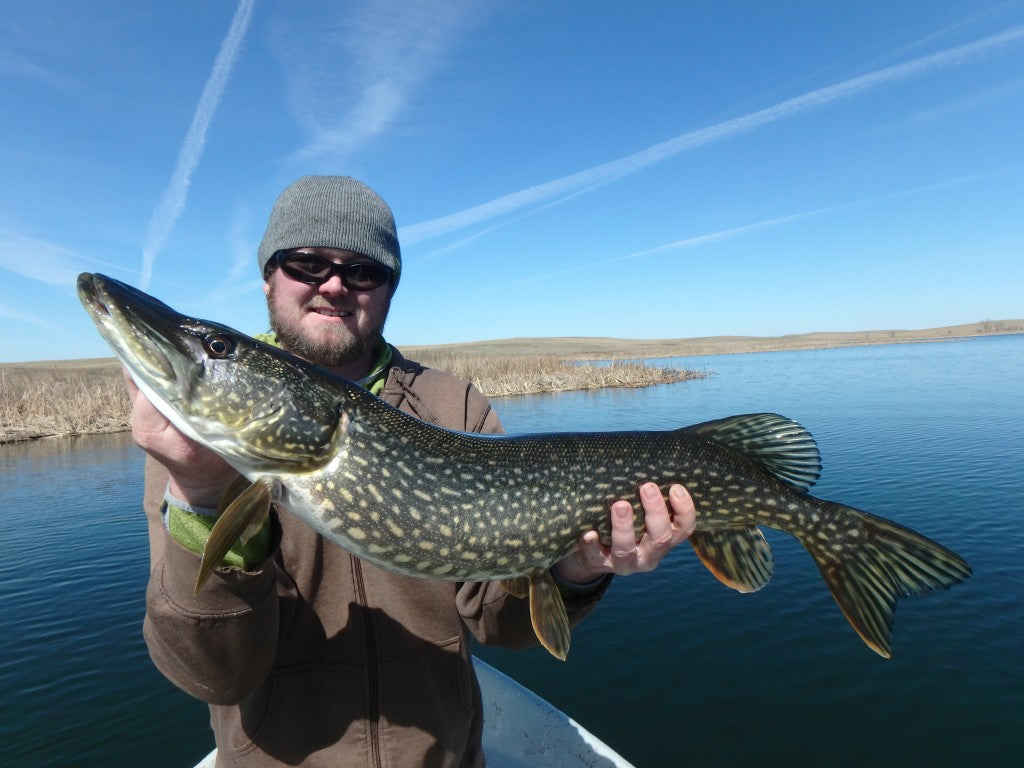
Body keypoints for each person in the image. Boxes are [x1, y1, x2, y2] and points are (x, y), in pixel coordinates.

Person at [130, 175, 696, 768]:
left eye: (362, 271)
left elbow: (499, 622)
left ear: (389, 287)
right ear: (270, 276)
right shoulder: (197, 448)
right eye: (306, 263)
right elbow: (212, 677)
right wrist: (199, 492)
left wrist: (574, 569)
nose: (333, 285)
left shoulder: (453, 407)